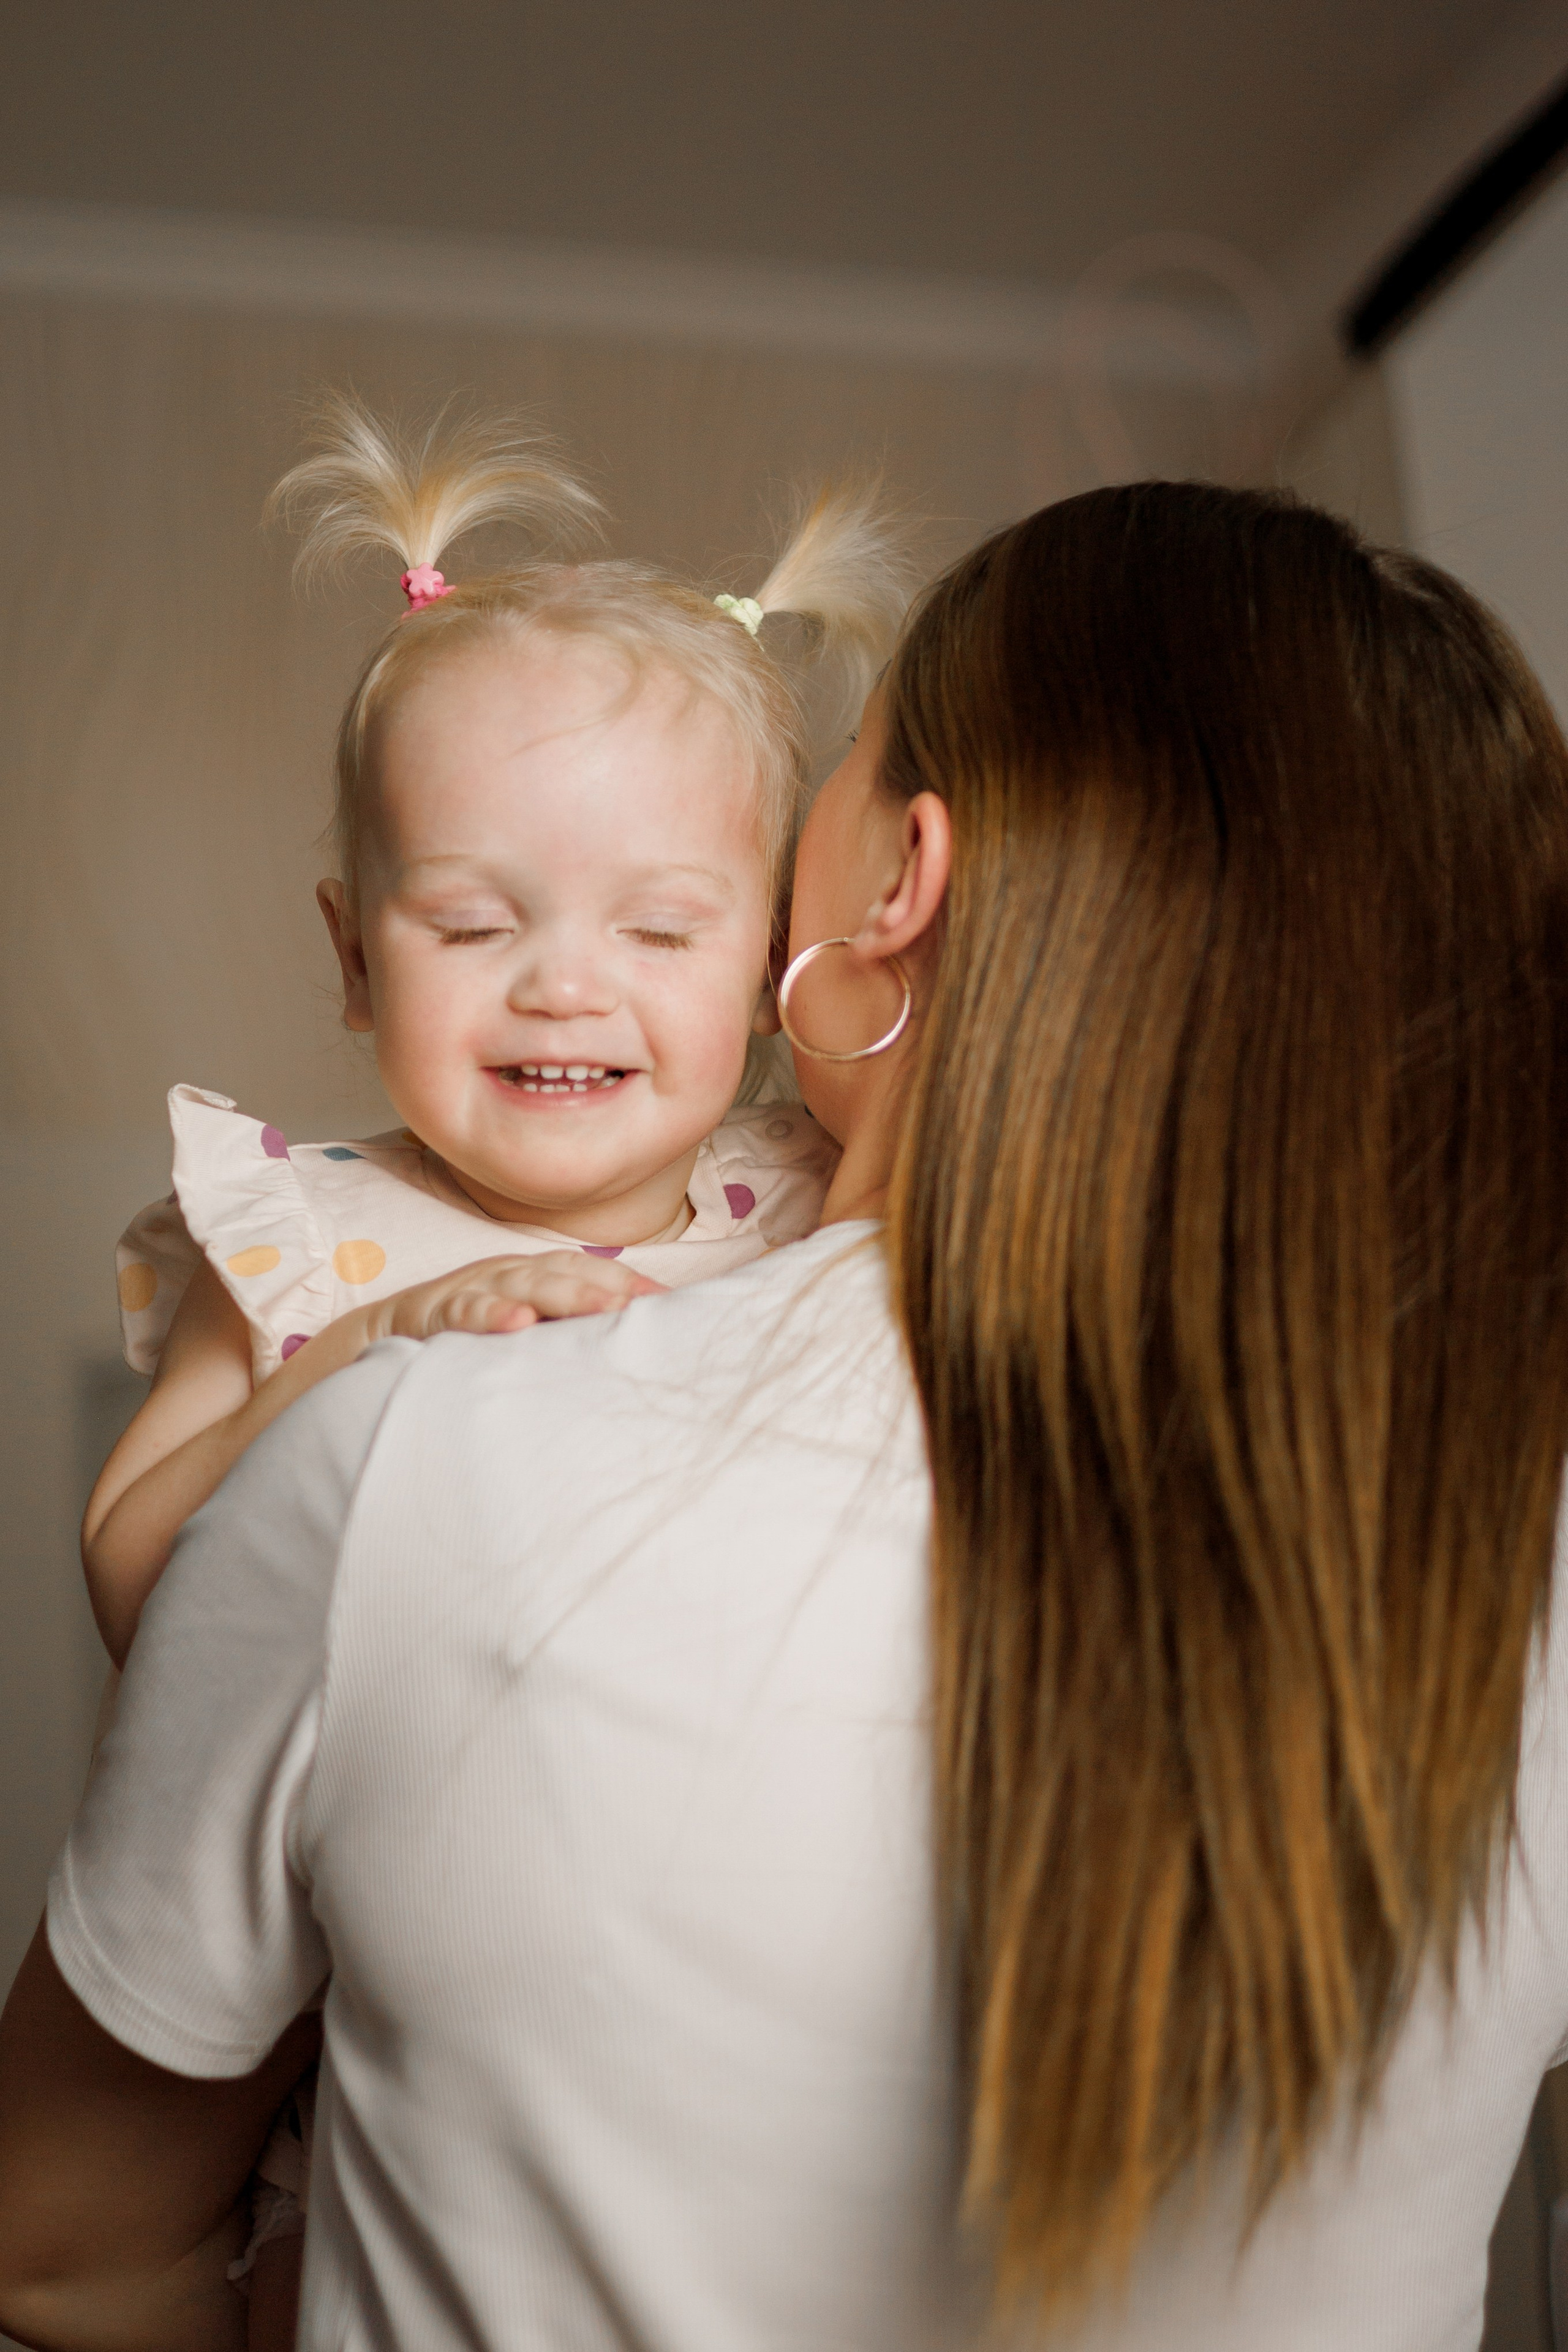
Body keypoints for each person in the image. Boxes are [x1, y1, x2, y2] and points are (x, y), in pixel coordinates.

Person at [4, 479, 1568, 2352]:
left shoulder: (428, 1453)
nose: (576, 978)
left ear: (898, 877)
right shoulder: (1513, 1552)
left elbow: (61, 2252)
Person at [72, 394, 912, 2343]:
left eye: (661, 925)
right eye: (472, 920)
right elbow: (136, 1583)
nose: (561, 980)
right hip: (367, 1975)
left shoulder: (811, 1201)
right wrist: (353, 1358)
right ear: (355, 961)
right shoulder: (304, 1232)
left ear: (770, 960)